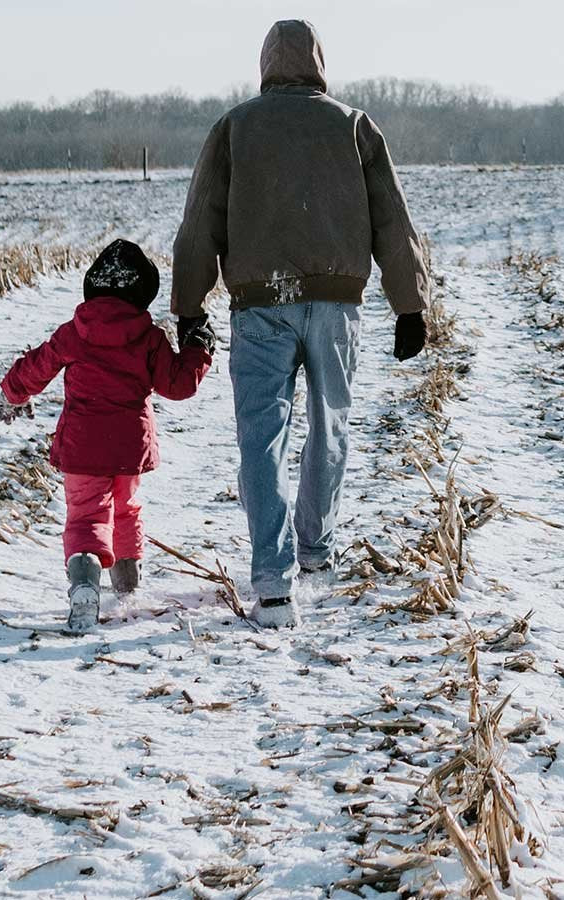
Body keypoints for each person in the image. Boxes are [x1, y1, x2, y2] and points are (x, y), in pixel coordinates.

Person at [170, 19, 434, 629]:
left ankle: (272, 581)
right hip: (337, 304)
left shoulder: (234, 128)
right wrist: (410, 304)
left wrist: (188, 308)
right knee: (328, 426)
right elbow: (392, 219)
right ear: (318, 62)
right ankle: (315, 554)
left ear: (265, 63)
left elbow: (200, 222)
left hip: (259, 305)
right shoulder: (354, 125)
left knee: (261, 439)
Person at [0, 239, 215, 633]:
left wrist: (13, 393)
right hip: (128, 447)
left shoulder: (74, 333)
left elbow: (37, 366)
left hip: (82, 446)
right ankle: (128, 585)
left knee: (86, 515)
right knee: (126, 508)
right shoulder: (148, 338)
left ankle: (84, 587)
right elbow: (178, 384)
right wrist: (199, 346)